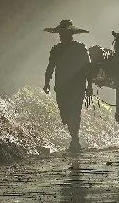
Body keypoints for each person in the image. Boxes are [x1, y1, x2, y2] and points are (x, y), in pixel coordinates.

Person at [43, 19, 92, 151]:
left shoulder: (81, 48)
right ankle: (74, 138)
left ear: (71, 34)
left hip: (78, 86)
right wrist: (47, 83)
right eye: (60, 33)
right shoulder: (56, 49)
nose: (61, 36)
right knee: (64, 113)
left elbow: (88, 68)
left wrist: (90, 86)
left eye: (63, 33)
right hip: (61, 87)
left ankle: (75, 140)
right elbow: (50, 67)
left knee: (75, 112)